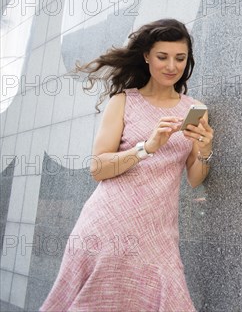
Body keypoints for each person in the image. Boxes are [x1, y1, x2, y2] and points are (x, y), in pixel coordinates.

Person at [40, 18, 213, 311]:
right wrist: (147, 147)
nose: (172, 66)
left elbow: (195, 179)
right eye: (162, 57)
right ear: (146, 56)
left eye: (180, 58)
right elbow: (99, 168)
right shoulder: (123, 102)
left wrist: (205, 148)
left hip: (157, 234)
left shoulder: (195, 109)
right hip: (108, 225)